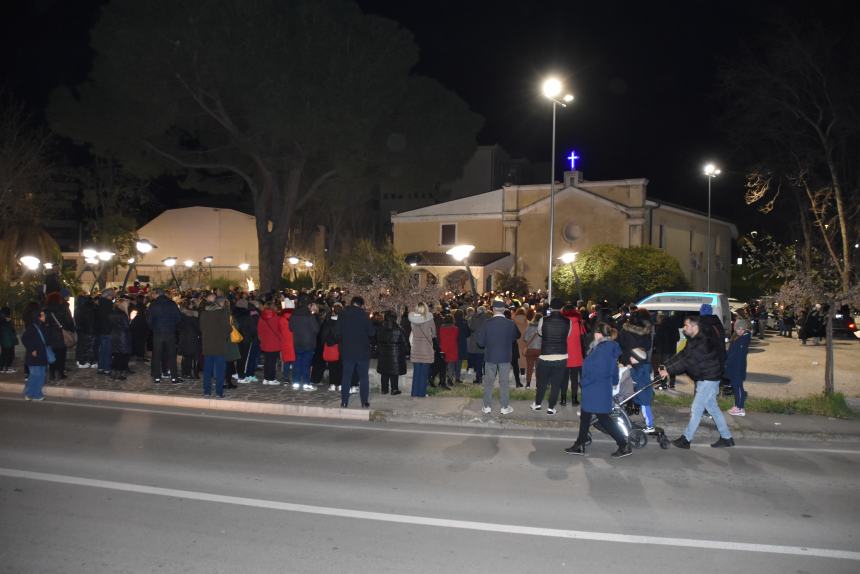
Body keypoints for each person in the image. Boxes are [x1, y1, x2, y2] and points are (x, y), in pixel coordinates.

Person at [659, 315, 735, 448]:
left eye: (686, 325)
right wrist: (667, 365)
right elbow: (683, 355)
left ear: (695, 326)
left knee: (696, 409)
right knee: (712, 408)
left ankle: (686, 439)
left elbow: (687, 362)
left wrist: (668, 371)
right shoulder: (695, 339)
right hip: (707, 378)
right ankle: (727, 437)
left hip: (708, 379)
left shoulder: (702, 342)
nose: (684, 328)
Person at [564, 322, 632, 458]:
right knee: (586, 416)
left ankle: (623, 444)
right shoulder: (608, 348)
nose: (593, 335)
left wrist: (584, 382)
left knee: (603, 418)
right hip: (599, 388)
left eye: (595, 332)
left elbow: (598, 371)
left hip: (594, 388)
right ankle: (580, 444)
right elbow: (613, 369)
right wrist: (613, 382)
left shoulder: (602, 350)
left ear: (599, 334)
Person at [476, 300, 520, 415]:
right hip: (505, 356)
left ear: (493, 310)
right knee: (504, 382)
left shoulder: (487, 323)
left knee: (489, 382)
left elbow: (480, 343)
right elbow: (516, 336)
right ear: (504, 310)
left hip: (490, 356)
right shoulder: (510, 323)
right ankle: (504, 407)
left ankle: (487, 407)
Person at [618, 308, 655, 432]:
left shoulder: (624, 330)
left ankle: (625, 412)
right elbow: (649, 346)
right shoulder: (646, 332)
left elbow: (620, 344)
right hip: (641, 362)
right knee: (640, 388)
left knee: (625, 388)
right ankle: (637, 408)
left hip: (627, 362)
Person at [334, 296, 375, 408]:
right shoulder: (364, 315)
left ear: (351, 303)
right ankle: (364, 401)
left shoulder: (342, 315)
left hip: (347, 351)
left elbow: (337, 332)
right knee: (363, 377)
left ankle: (344, 401)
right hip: (362, 351)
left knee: (346, 376)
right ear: (361, 305)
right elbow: (372, 332)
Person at [531, 298, 570, 415]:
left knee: (542, 383)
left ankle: (537, 404)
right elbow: (567, 335)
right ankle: (551, 408)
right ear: (562, 308)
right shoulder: (568, 321)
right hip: (561, 356)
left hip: (545, 356)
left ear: (550, 308)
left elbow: (540, 333)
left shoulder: (544, 320)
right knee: (556, 384)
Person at [147, 288, 182, 384]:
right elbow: (179, 318)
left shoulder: (153, 304)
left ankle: (157, 377)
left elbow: (149, 320)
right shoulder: (172, 304)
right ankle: (174, 377)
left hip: (157, 333)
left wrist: (153, 328)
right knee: (171, 355)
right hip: (170, 332)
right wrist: (173, 326)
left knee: (157, 355)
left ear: (157, 294)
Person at [199, 294, 230, 398]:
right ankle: (219, 392)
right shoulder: (222, 313)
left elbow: (201, 328)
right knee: (220, 370)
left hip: (207, 345)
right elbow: (227, 329)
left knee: (207, 370)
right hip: (219, 345)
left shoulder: (204, 313)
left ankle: (207, 391)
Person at [289, 294, 320, 391]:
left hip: (297, 341)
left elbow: (290, 328)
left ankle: (296, 382)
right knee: (306, 364)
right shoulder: (309, 316)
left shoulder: (294, 314)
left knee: (297, 362)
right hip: (309, 342)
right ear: (308, 305)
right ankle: (306, 383)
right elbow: (316, 329)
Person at [43, 291, 75, 381]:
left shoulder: (46, 309)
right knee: (61, 355)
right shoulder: (63, 308)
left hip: (49, 334)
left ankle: (52, 374)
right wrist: (70, 329)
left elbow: (43, 322)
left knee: (51, 355)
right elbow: (69, 321)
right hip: (61, 334)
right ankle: (60, 373)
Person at [21, 303, 50, 401]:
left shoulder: (42, 326)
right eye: (42, 315)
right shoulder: (32, 327)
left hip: (42, 355)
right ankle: (29, 393)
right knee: (35, 375)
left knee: (41, 376)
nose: (44, 316)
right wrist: (32, 349)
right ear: (37, 316)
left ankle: (37, 394)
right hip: (34, 356)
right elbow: (25, 338)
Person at [376, 310, 408, 395]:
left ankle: (384, 389)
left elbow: (377, 340)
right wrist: (404, 351)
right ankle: (394, 389)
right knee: (394, 372)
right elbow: (405, 343)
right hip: (396, 354)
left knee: (384, 372)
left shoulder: (380, 329)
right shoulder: (399, 329)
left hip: (383, 353)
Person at [408, 302, 436, 397]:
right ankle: (421, 394)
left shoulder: (412, 320)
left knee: (416, 374)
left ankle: (414, 393)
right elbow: (434, 333)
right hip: (426, 349)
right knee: (424, 374)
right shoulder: (430, 319)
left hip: (416, 348)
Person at [725, 319, 752, 416]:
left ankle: (740, 408)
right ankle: (737, 405)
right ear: (735, 328)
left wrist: (727, 361)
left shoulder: (744, 339)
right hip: (733, 367)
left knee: (738, 387)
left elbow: (736, 355)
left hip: (738, 367)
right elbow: (731, 352)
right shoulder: (736, 338)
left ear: (745, 329)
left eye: (742, 329)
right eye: (738, 329)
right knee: (735, 387)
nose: (740, 331)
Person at [562, 304, 587, 404]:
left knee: (564, 378)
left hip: (564, 353)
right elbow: (582, 338)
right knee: (574, 379)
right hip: (576, 354)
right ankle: (574, 399)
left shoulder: (562, 323)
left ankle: (563, 399)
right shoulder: (578, 323)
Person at [257, 301, 283, 385]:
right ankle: (271, 378)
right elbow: (280, 330)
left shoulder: (261, 318)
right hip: (275, 343)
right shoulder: (277, 318)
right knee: (273, 361)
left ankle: (266, 378)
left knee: (267, 361)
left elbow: (259, 331)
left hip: (265, 343)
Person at [178, 300, 202, 380]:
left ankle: (185, 373)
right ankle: (195, 373)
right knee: (195, 357)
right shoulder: (194, 317)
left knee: (186, 356)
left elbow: (178, 327)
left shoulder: (181, 316)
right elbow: (199, 328)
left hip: (183, 339)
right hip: (193, 338)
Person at [109, 298, 132, 377]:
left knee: (116, 355)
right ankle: (120, 373)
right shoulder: (123, 314)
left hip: (114, 335)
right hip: (122, 336)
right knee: (122, 355)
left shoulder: (112, 313)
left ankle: (113, 371)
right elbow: (126, 326)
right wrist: (131, 320)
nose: (128, 305)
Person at [95, 288, 116, 376]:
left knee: (102, 350)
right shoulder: (109, 304)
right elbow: (110, 318)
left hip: (100, 329)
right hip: (108, 330)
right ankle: (107, 368)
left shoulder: (98, 303)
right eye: (112, 296)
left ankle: (100, 367)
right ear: (109, 296)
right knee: (107, 350)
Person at [466, 306, 488, 385]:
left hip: (475, 342)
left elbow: (471, 328)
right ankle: (481, 376)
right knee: (482, 361)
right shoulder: (487, 318)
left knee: (476, 361)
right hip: (483, 342)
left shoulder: (474, 318)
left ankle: (478, 377)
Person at [73, 294, 96, 368]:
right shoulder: (87, 309)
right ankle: (85, 361)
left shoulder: (78, 308)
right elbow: (89, 320)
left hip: (81, 330)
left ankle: (81, 361)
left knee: (81, 346)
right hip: (87, 330)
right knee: (88, 346)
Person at [438, 314, 459, 387]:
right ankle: (450, 377)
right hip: (452, 347)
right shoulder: (455, 328)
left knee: (443, 365)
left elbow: (440, 337)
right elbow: (456, 337)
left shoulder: (441, 328)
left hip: (443, 347)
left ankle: (443, 378)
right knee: (451, 364)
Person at [279, 298, 296, 384]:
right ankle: (295, 377)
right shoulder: (295, 318)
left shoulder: (281, 319)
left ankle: (286, 377)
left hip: (285, 342)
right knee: (294, 361)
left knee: (286, 361)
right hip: (294, 342)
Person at [523, 314, 542, 389]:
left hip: (530, 349)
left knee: (529, 367)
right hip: (540, 350)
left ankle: (528, 384)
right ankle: (538, 385)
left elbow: (525, 338)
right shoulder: (543, 328)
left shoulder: (529, 326)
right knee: (539, 368)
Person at [453, 309, 470, 384]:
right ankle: (457, 377)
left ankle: (451, 375)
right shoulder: (464, 322)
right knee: (459, 360)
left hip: (453, 341)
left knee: (452, 360)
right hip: (462, 342)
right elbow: (468, 333)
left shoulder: (453, 322)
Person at [0, 307, 17, 373]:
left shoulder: (2, 318)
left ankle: (3, 367)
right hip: (7, 338)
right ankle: (6, 367)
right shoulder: (5, 319)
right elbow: (10, 330)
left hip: (4, 338)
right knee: (8, 353)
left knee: (4, 352)